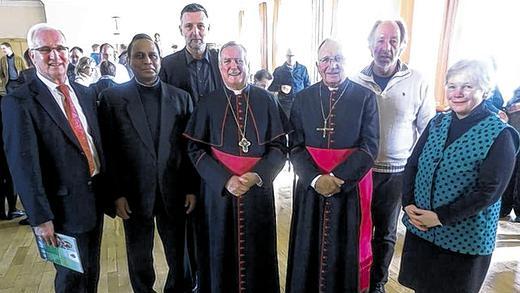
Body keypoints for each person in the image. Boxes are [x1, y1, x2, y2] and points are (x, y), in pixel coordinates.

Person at [398, 59, 519, 293]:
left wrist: (440, 217)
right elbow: (413, 163)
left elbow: (488, 192)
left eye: (467, 86)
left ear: (485, 90)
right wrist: (408, 203)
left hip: (463, 240)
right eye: (452, 86)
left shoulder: (500, 134)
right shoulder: (438, 122)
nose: (458, 93)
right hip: (422, 229)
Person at [2, 23, 105, 293]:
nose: (55, 55)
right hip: (59, 211)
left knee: (91, 272)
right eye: (45, 49)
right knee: (71, 280)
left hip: (93, 201)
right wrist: (39, 218)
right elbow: (22, 166)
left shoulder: (84, 93)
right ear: (32, 56)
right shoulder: (20, 101)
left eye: (60, 48)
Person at [184, 41, 286, 293]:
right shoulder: (208, 102)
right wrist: (224, 180)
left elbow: (280, 147)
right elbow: (195, 149)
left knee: (258, 250)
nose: (233, 66)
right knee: (219, 251)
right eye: (227, 61)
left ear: (247, 64)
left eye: (238, 61)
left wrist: (258, 175)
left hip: (257, 193)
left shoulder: (267, 100)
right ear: (220, 68)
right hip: (218, 194)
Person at [98, 33, 197, 293]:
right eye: (139, 56)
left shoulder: (181, 98)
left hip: (173, 189)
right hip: (133, 192)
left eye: (152, 55)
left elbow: (189, 150)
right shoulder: (112, 99)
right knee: (139, 254)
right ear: (129, 60)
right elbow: (109, 151)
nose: (147, 61)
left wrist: (190, 188)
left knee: (179, 254)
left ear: (160, 59)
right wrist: (116, 194)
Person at [286, 39, 379, 293]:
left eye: (338, 58)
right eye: (326, 60)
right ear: (317, 65)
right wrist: (316, 179)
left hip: (348, 190)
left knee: (343, 249)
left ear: (346, 62)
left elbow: (369, 147)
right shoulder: (303, 98)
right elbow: (295, 145)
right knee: (309, 245)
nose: (332, 65)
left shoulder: (365, 98)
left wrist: (337, 179)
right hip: (310, 190)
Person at [349, 20, 436, 293]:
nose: (386, 47)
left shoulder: (418, 81)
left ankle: (377, 283)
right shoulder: (354, 81)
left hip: (397, 173)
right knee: (356, 229)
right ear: (369, 43)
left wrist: (420, 174)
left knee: (385, 234)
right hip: (360, 172)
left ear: (402, 45)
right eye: (380, 40)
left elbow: (427, 132)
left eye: (393, 41)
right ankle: (354, 279)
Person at [160, 3, 223, 104]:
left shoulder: (222, 60)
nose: (195, 32)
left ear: (208, 28)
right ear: (181, 30)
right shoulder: (167, 65)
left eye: (200, 26)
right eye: (189, 26)